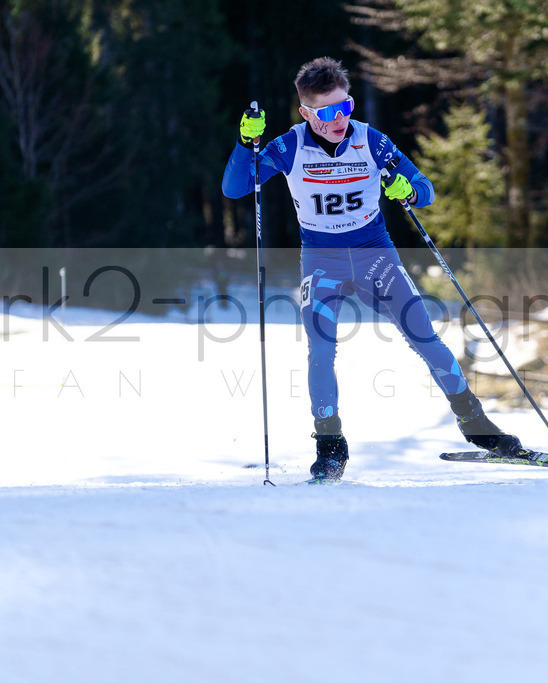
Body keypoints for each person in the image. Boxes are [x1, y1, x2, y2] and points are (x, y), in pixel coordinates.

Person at [222, 56, 522, 481]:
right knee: (321, 350)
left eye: (345, 106)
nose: (339, 119)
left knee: (424, 335)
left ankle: (476, 424)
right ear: (306, 113)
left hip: (375, 256)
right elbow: (236, 188)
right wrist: (245, 143)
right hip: (322, 262)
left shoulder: (371, 140)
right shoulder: (290, 146)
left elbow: (426, 189)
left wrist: (407, 191)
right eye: (327, 111)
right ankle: (330, 446)